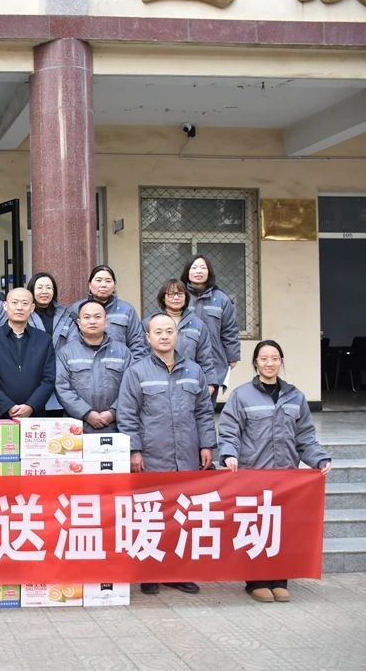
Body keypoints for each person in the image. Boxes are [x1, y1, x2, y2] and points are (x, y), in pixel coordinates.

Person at [218, 340, 332, 604]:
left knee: (282, 529)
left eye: (275, 358)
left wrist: (319, 459)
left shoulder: (295, 396)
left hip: (285, 477)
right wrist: (229, 454)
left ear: (281, 362)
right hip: (253, 475)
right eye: (264, 358)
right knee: (256, 527)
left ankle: (280, 579)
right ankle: (256, 581)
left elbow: (305, 437)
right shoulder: (242, 395)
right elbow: (229, 430)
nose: (269, 363)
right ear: (255, 362)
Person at [117, 313, 216, 597]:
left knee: (181, 516)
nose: (164, 336)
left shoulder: (194, 371)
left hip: (186, 456)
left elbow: (203, 412)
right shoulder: (137, 372)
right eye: (157, 332)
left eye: (169, 331)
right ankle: (149, 573)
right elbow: (127, 414)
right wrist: (134, 450)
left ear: (177, 335)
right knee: (151, 515)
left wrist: (207, 444)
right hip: (152, 456)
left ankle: (177, 572)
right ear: (147, 337)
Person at [0, 287, 56, 420]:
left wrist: (31, 406)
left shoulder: (44, 339)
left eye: (25, 303)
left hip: (34, 415)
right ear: (5, 306)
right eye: (14, 303)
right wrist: (7, 406)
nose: (19, 307)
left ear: (32, 308)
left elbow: (49, 379)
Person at [56, 300, 133, 433]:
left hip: (116, 426)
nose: (92, 321)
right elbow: (62, 388)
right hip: (77, 428)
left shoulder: (123, 352)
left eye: (97, 317)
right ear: (79, 323)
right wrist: (86, 413)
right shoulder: (66, 353)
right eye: (87, 317)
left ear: (106, 321)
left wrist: (113, 412)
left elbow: (131, 387)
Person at [144, 278, 218, 394]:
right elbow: (141, 353)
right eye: (171, 294)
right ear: (163, 297)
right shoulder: (149, 322)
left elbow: (205, 357)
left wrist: (210, 383)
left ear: (186, 297)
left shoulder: (197, 324)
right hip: (155, 383)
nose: (176, 298)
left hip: (189, 381)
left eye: (180, 294)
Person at [182, 254, 240, 397]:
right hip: (184, 356)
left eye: (203, 268)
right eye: (194, 267)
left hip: (213, 359)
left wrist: (232, 357)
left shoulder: (222, 299)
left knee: (207, 403)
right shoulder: (179, 296)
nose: (198, 271)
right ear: (187, 272)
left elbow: (230, 330)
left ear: (209, 272)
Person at [68, 265, 147, 359]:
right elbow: (71, 340)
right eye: (98, 280)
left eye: (108, 281)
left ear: (114, 285)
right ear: (90, 284)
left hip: (118, 364)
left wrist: (133, 366)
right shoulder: (76, 308)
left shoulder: (126, 310)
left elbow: (137, 343)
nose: (103, 285)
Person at [27, 272, 76, 417]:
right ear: (31, 290)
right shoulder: (24, 315)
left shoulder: (67, 315)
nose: (44, 291)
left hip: (61, 379)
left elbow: (73, 346)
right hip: (32, 381)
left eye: (48, 287)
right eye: (40, 287)